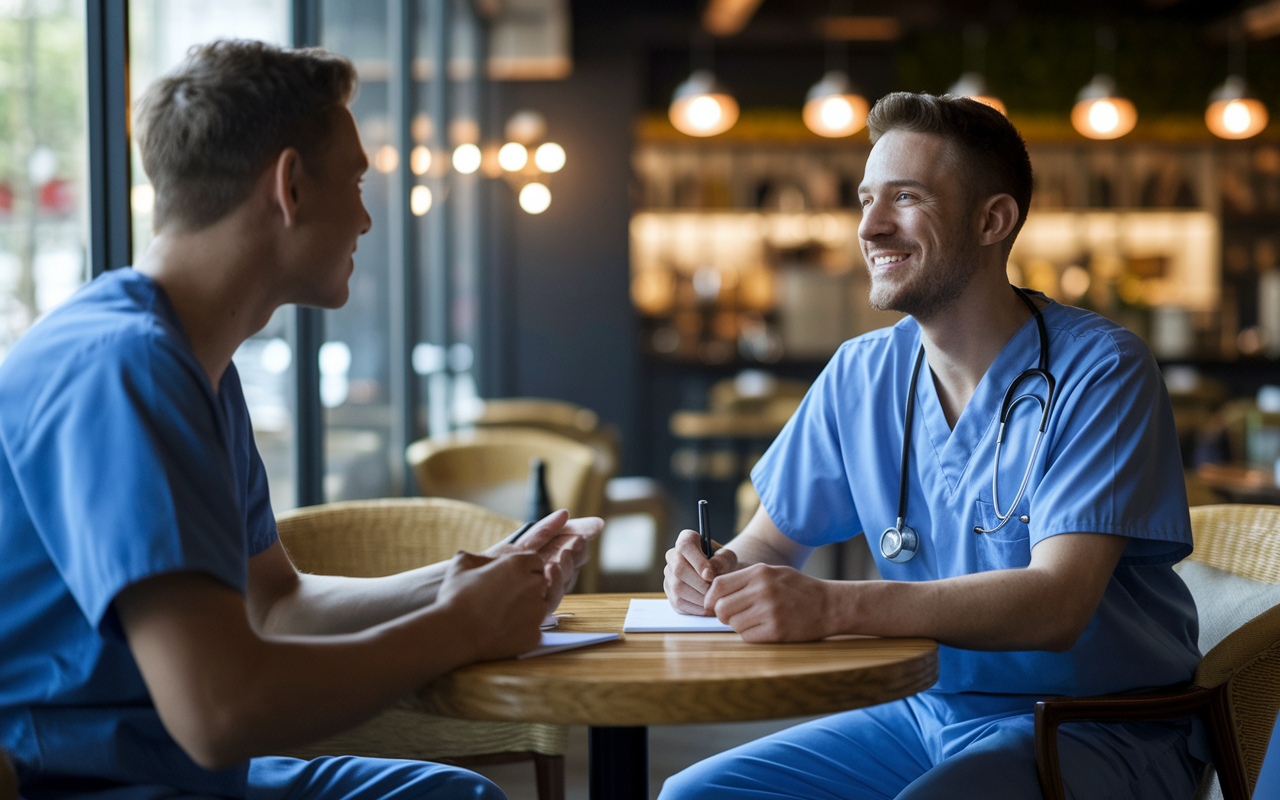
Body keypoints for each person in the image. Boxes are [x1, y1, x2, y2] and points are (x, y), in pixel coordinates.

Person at [0, 40, 601, 800]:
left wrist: (463, 582)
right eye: (355, 180)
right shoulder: (122, 367)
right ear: (289, 186)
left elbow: (276, 603)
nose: (365, 218)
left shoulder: (193, 364)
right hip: (87, 784)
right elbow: (220, 712)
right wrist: (464, 627)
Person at [660, 93, 1204, 799]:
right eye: (865, 200)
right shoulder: (862, 372)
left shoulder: (1101, 369)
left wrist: (831, 607)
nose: (870, 226)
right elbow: (769, 546)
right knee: (695, 795)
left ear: (992, 220)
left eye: (905, 197)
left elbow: (1056, 604)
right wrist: (718, 573)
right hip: (927, 714)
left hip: (1093, 725)